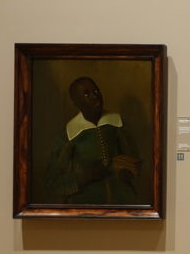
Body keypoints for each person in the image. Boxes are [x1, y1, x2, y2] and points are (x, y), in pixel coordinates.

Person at [45, 76, 141, 204]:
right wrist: (83, 177)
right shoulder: (69, 133)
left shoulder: (117, 123)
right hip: (85, 203)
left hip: (121, 201)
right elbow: (53, 183)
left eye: (96, 91)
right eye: (86, 94)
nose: (94, 96)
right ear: (76, 103)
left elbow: (134, 158)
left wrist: (128, 171)